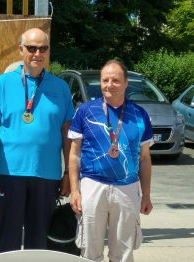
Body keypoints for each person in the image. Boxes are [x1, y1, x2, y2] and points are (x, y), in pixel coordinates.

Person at [0, 28, 75, 254]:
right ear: (21, 50)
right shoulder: (3, 83)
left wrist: (69, 175)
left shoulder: (60, 87)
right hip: (9, 173)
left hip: (47, 174)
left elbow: (68, 135)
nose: (37, 53)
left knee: (41, 241)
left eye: (42, 48)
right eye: (32, 48)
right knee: (7, 239)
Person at [68, 59, 153, 262]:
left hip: (127, 188)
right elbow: (74, 154)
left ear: (125, 83)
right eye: (105, 80)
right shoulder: (85, 111)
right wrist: (74, 190)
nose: (109, 85)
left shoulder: (140, 115)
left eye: (115, 80)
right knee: (89, 251)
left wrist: (146, 195)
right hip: (93, 185)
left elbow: (145, 159)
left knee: (122, 253)